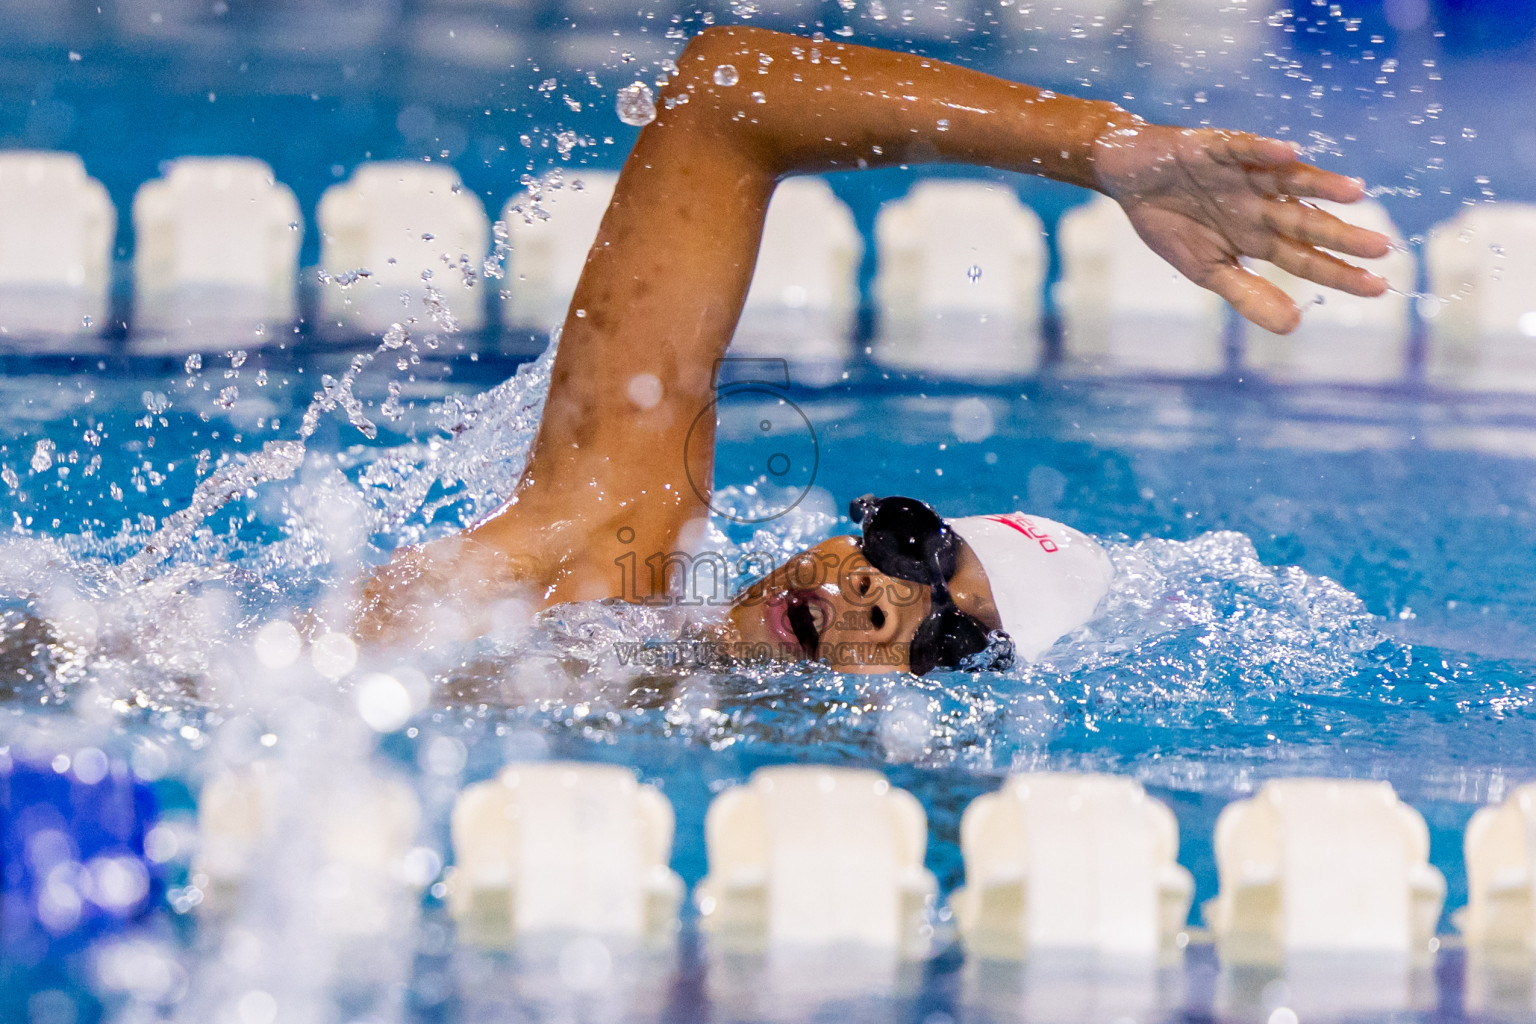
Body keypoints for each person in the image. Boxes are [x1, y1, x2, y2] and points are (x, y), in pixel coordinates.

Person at [356, 25, 1391, 675]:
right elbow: (725, 96)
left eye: (949, 637)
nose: (880, 599)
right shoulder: (596, 554)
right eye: (913, 544)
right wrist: (1099, 146)